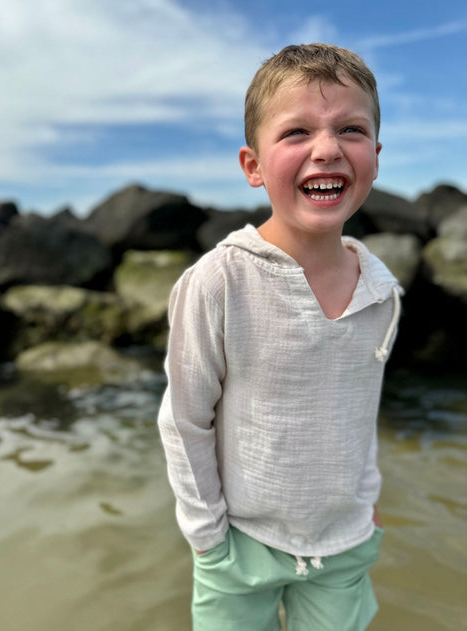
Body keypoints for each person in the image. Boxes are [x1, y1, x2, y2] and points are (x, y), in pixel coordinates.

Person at [157, 43, 402, 631]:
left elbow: (357, 411)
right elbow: (186, 420)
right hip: (239, 542)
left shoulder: (382, 289)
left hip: (344, 541)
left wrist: (365, 501)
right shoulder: (219, 281)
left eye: (351, 128)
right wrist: (208, 538)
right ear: (254, 166)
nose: (328, 149)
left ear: (375, 154)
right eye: (296, 132)